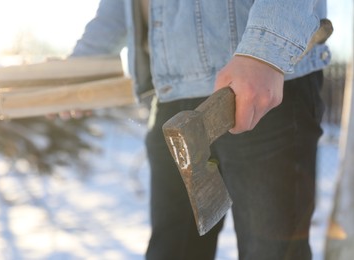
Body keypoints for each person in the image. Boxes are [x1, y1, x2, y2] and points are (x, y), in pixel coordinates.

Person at [70, 0, 331, 259]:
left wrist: (266, 47)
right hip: (171, 96)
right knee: (171, 252)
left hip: (255, 83)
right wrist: (84, 63)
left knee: (271, 252)